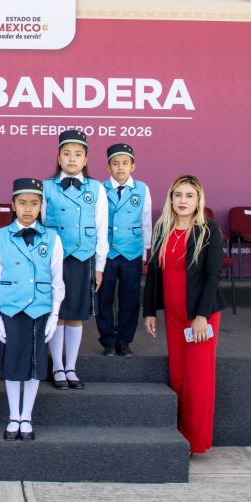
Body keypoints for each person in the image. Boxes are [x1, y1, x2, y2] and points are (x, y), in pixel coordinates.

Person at [143, 175, 226, 455]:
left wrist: (202, 316)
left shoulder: (209, 229)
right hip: (174, 315)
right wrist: (150, 311)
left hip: (199, 316)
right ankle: (178, 438)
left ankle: (195, 442)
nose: (182, 201)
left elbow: (213, 275)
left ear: (198, 200)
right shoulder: (162, 229)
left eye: (189, 195)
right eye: (178, 195)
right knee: (178, 376)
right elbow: (154, 274)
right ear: (170, 199)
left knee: (198, 379)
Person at [0, 178, 65, 441]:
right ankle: (13, 415)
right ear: (13, 205)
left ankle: (27, 416)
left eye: (34, 203)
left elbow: (57, 280)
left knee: (33, 365)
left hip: (39, 309)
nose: (28, 209)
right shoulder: (0, 236)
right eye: (22, 203)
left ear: (41, 205)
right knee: (12, 365)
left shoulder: (52, 238)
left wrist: (54, 314)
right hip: (10, 309)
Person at [42, 129, 108, 389]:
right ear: (58, 158)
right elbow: (41, 224)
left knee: (76, 314)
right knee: (57, 313)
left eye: (77, 154)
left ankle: (72, 367)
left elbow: (102, 228)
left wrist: (100, 265)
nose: (72, 159)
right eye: (66, 154)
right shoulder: (46, 187)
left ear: (85, 158)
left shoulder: (97, 188)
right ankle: (57, 366)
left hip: (84, 258)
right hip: (56, 260)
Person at [96, 143, 152, 357]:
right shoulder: (100, 188)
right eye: (116, 163)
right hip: (107, 252)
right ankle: (108, 340)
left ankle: (125, 340)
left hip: (132, 251)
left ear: (133, 166)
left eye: (125, 163)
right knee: (104, 298)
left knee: (130, 298)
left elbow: (146, 220)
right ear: (108, 167)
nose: (121, 167)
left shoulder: (142, 189)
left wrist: (145, 250)